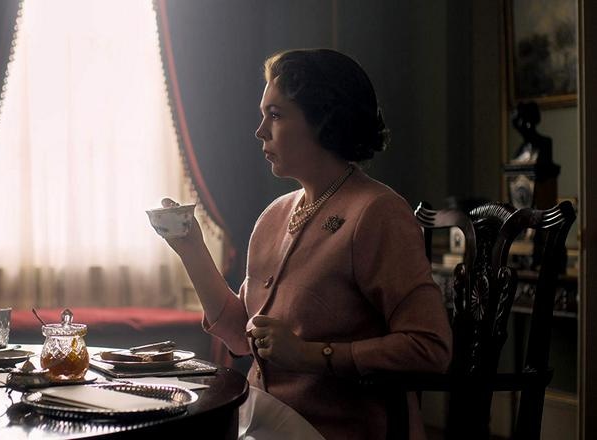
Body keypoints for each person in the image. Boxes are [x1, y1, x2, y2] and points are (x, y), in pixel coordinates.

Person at [159, 48, 452, 440]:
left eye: (276, 115)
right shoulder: (274, 216)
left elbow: (430, 348)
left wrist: (311, 354)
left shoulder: (378, 213)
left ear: (324, 121)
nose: (260, 131)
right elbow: (240, 336)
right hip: (260, 423)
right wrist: (191, 247)